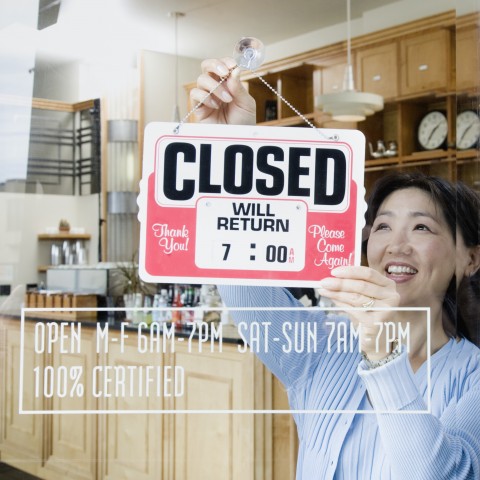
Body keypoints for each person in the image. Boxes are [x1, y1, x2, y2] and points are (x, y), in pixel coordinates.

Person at [191, 58, 480, 479]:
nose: (396, 245)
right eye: (382, 226)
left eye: (421, 226)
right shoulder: (320, 349)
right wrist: (230, 143)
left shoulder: (473, 379)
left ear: (470, 258)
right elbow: (239, 267)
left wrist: (385, 356)